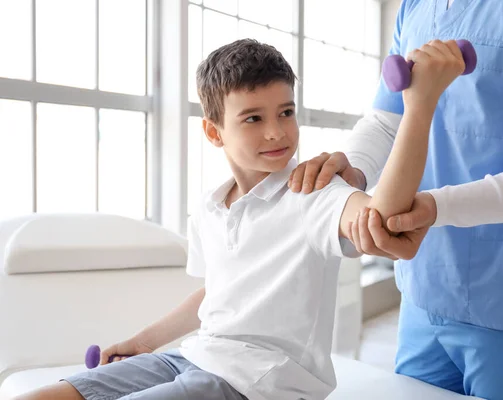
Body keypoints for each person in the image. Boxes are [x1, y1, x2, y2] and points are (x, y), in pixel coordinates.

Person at [16, 37, 466, 400]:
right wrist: (144, 343)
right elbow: (217, 293)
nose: (277, 132)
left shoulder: (314, 192)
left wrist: (418, 107)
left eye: (286, 112)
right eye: (253, 118)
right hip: (194, 357)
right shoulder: (210, 207)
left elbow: (382, 220)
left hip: (255, 381)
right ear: (214, 131)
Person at [288, 1, 503, 399]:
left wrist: (436, 208)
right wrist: (354, 166)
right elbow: (389, 118)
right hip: (425, 287)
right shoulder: (415, 6)